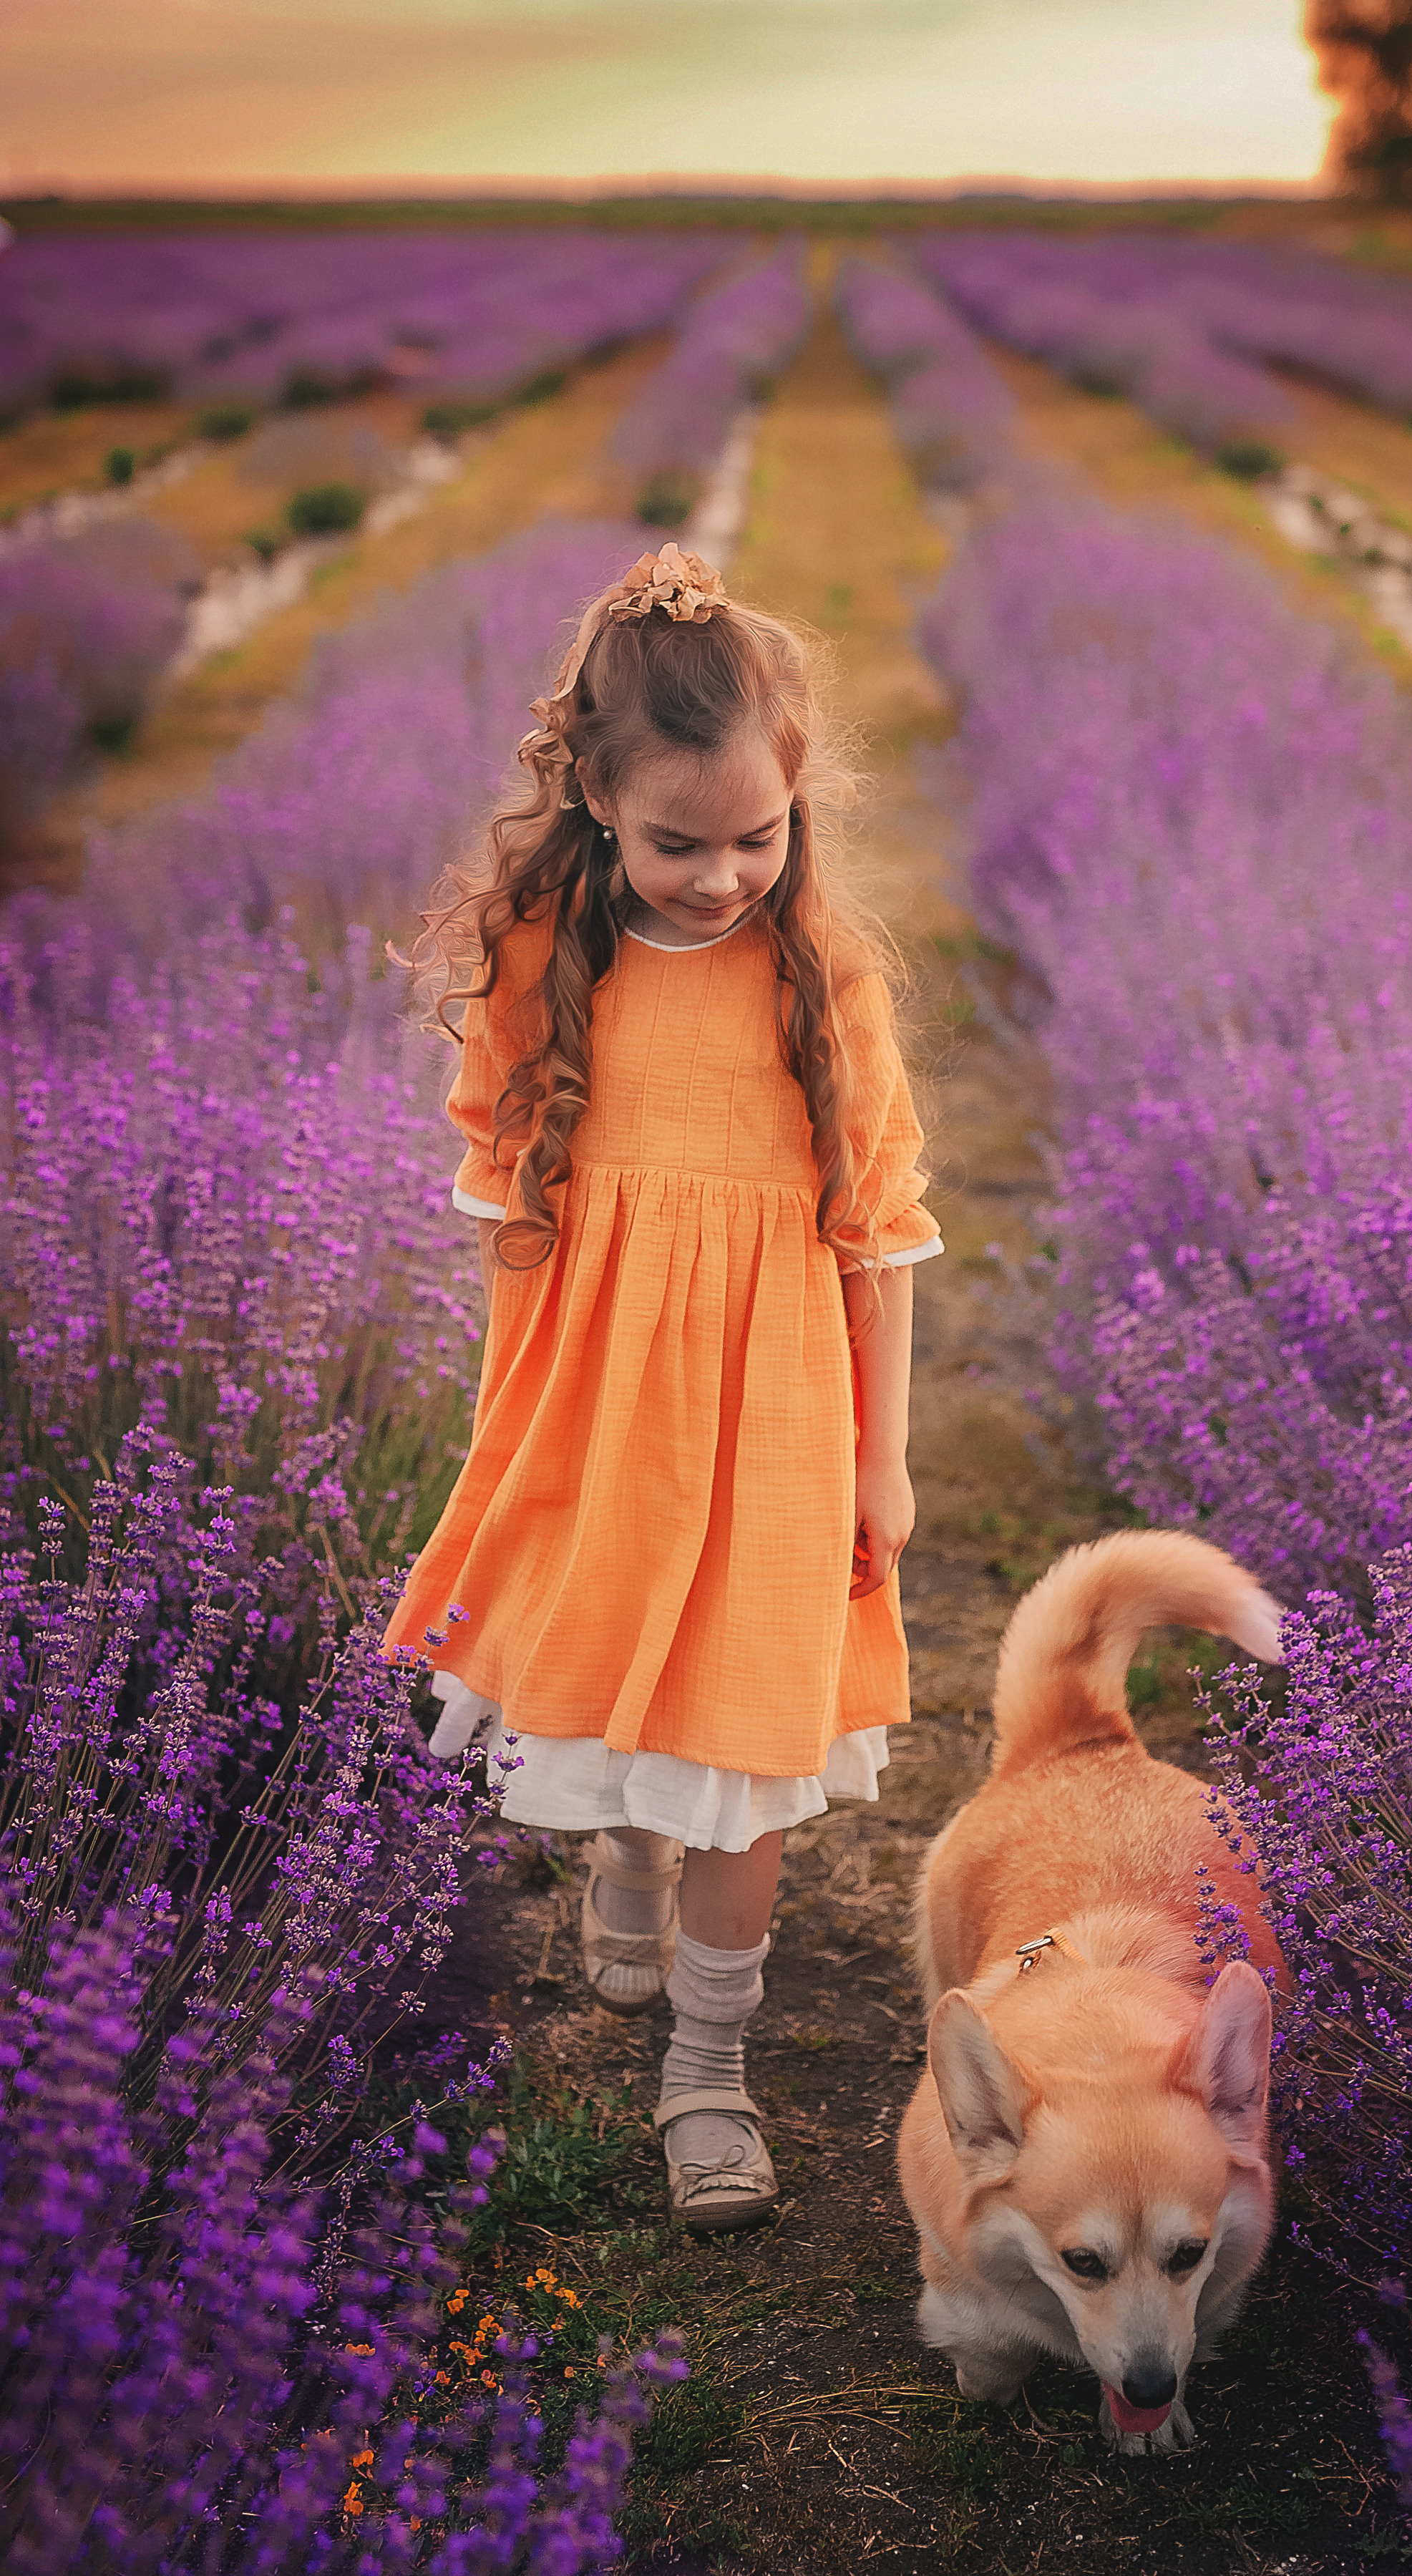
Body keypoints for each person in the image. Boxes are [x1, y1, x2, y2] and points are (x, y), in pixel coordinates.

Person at [387, 542, 940, 2235]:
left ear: (800, 808)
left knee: (746, 1736)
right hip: (603, 1407)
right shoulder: (550, 965)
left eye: (757, 840)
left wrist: (882, 1460)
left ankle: (709, 2072)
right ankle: (622, 1854)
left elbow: (880, 1243)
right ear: (596, 805)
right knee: (605, 1679)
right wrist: (512, 1437)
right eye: (676, 843)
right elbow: (516, 1237)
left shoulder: (820, 986)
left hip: (780, 1421)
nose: (720, 879)